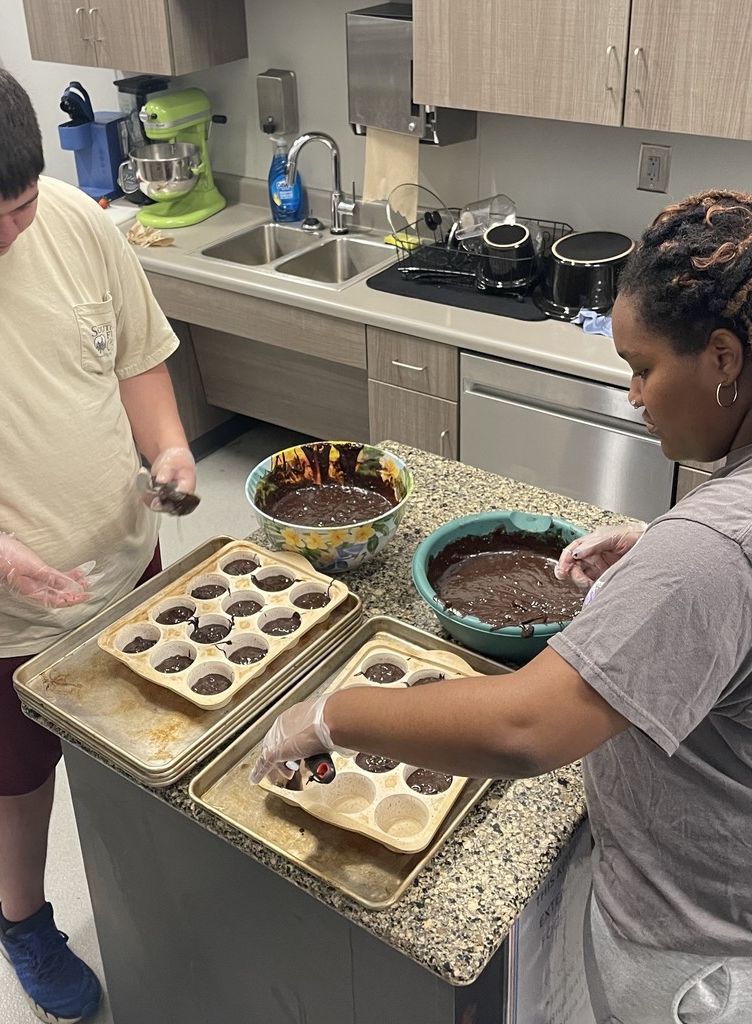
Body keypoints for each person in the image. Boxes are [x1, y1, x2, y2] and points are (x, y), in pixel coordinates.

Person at [252, 189, 752, 1023]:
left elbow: (525, 728)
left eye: (643, 369)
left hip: (693, 958)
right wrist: (660, 548)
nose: (632, 395)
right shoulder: (716, 537)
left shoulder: (716, 550)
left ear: (725, 359)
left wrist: (329, 716)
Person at [0, 59, 197, 1023]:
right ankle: (24, 920)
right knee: (14, 772)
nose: (6, 236)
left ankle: (155, 896)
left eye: (20, 208)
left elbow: (137, 355)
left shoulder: (73, 220)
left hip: (126, 563)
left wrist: (169, 449)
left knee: (150, 746)